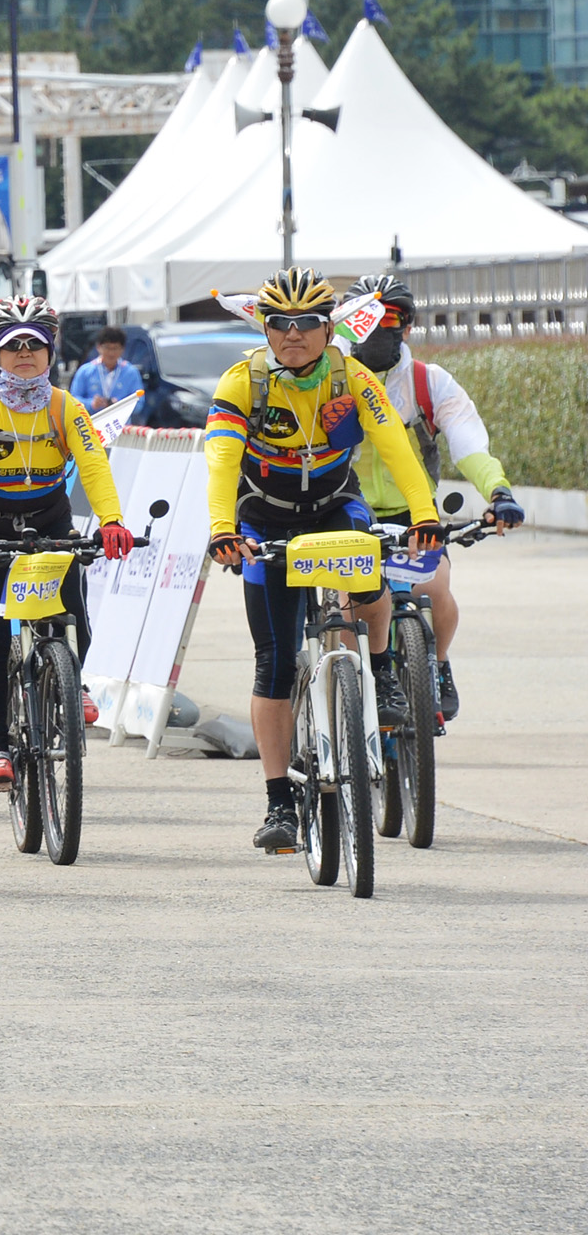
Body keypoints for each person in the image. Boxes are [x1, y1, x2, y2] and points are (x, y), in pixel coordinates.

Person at [202, 268, 442, 855]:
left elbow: (395, 448)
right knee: (275, 664)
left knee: (370, 579)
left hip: (336, 506)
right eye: (279, 324)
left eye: (306, 324)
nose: (292, 335)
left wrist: (424, 513)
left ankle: (382, 672)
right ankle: (279, 801)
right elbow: (221, 461)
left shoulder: (351, 376)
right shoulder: (243, 382)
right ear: (265, 326)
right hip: (264, 520)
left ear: (327, 327)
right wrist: (223, 528)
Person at [0, 296, 137, 790]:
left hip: (50, 522)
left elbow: (93, 464)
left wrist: (112, 520)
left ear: (51, 353)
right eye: (14, 346)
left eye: (35, 345)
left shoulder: (64, 405)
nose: (25, 353)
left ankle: (69, 682)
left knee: (75, 618)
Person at [340, 273, 522, 723]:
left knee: (436, 589)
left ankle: (437, 665)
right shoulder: (333, 379)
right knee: (348, 611)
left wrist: (499, 493)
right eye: (365, 319)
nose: (378, 328)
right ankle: (347, 697)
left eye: (391, 318)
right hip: (346, 510)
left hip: (414, 514)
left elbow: (469, 447)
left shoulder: (429, 382)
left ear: (407, 327)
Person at [69, 327, 144, 410]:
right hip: (93, 421)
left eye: (115, 348)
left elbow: (139, 403)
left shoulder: (131, 372)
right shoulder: (85, 371)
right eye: (107, 348)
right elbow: (73, 400)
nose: (111, 353)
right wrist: (91, 403)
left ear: (122, 349)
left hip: (120, 421)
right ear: (98, 347)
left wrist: (120, 404)